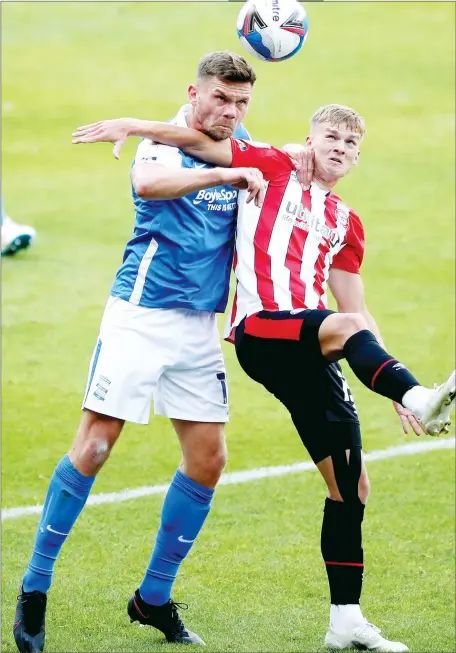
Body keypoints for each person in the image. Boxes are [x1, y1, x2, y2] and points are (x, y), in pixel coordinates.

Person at [72, 103, 455, 653]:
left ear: (357, 157)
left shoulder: (348, 223)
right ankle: (422, 398)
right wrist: (133, 125)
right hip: (261, 331)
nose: (340, 147)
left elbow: (357, 310)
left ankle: (345, 622)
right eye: (331, 136)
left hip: (317, 342)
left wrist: (391, 381)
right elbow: (198, 142)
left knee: (351, 487)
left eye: (351, 143)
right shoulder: (272, 164)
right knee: (342, 329)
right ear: (310, 139)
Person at [14, 51, 272, 653]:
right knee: (96, 446)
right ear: (194, 92)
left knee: (208, 460)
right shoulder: (164, 144)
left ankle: (152, 599)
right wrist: (221, 176)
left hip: (197, 328)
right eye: (220, 100)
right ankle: (34, 586)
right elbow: (148, 184)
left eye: (241, 104)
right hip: (140, 315)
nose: (230, 113)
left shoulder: (237, 145)